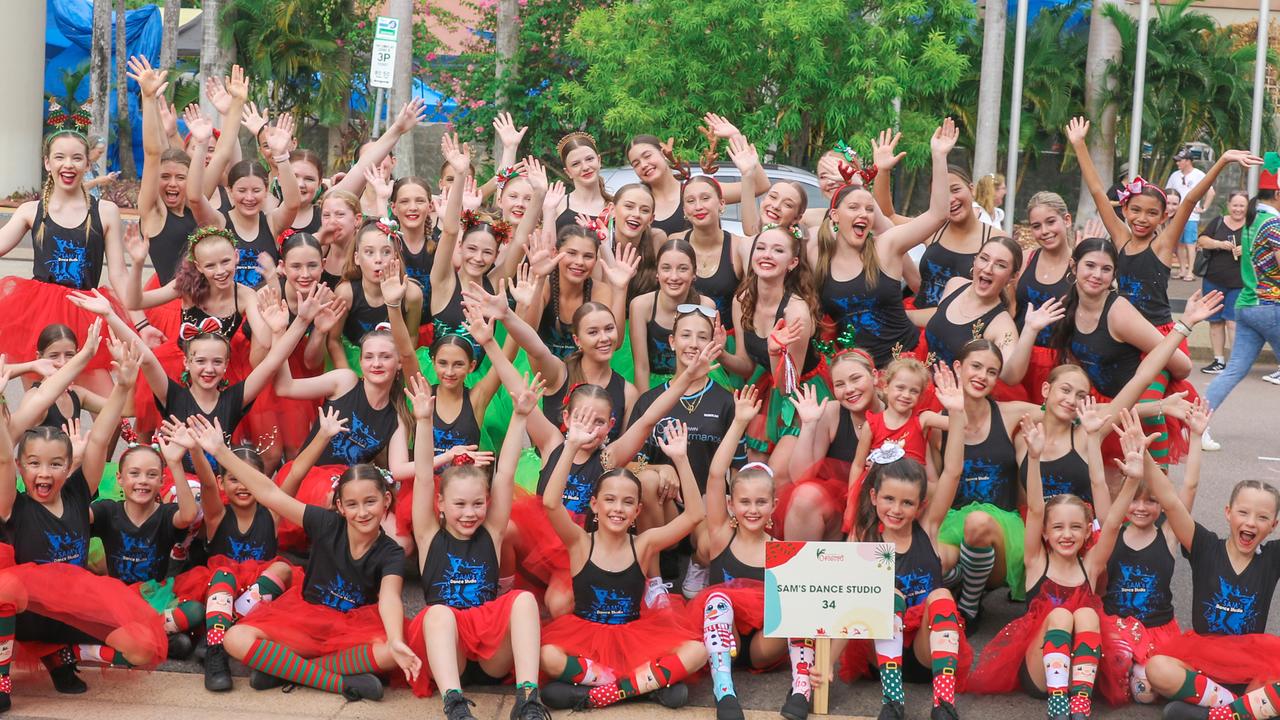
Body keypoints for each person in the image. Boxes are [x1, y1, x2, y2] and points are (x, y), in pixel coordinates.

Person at [191, 416, 419, 700]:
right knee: (236, 638)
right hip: (305, 620)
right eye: (352, 504)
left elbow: (390, 598)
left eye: (370, 502)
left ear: (386, 501)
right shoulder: (325, 523)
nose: (362, 512)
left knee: (392, 652)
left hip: (351, 628)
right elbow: (269, 492)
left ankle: (285, 670)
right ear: (340, 507)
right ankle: (340, 684)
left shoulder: (391, 552)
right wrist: (221, 452)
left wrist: (396, 639)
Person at [0, 338, 167, 712]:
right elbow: (2, 463)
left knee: (141, 647)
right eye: (35, 464)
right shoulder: (15, 505)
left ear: (67, 464)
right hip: (29, 618)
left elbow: (101, 440)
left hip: (74, 615)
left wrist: (123, 384)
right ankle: (2, 681)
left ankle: (68, 653)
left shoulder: (78, 494)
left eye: (55, 463)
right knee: (4, 584)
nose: (45, 472)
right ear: (23, 468)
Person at [968, 408, 1154, 716]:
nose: (1066, 535)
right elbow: (1037, 509)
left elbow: (1110, 525)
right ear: (1044, 533)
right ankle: (1057, 705)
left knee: (1086, 614)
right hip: (1039, 672)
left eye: (1076, 528)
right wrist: (1034, 457)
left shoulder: (1091, 565)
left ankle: (1079, 707)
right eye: (1058, 528)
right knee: (1061, 617)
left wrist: (1132, 481)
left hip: (1081, 673)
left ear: (1085, 533)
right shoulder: (1035, 561)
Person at [536, 411, 707, 710]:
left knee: (697, 651)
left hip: (634, 638)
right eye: (610, 500)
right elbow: (551, 502)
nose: (618, 509)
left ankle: (604, 693)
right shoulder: (579, 543)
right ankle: (640, 686)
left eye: (628, 502)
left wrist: (680, 459)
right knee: (545, 655)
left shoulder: (644, 545)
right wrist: (571, 447)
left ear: (638, 511)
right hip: (586, 638)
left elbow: (695, 515)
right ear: (595, 504)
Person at [404, 375, 551, 719]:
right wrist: (424, 421)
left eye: (477, 504)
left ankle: (528, 700)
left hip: (490, 651)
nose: (470, 513)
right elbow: (424, 476)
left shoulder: (492, 531)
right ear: (440, 504)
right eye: (459, 505)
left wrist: (519, 416)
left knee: (523, 599)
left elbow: (505, 473)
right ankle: (454, 704)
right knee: (438, 613)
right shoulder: (428, 534)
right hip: (448, 651)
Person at [842, 364, 971, 720]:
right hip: (880, 655)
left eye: (907, 503)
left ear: (920, 505)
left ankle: (943, 702)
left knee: (942, 596)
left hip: (925, 652)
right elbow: (842, 607)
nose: (897, 510)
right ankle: (892, 701)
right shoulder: (865, 536)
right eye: (889, 500)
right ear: (874, 496)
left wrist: (957, 412)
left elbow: (953, 471)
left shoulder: (925, 527)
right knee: (891, 596)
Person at [1139, 471, 1280, 719]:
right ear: (1228, 512)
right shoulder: (1204, 546)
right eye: (1243, 512)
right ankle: (1238, 708)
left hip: (1253, 665)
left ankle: (1210, 714)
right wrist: (1144, 461)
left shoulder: (1272, 558)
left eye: (1262, 517)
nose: (1250, 523)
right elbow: (1170, 502)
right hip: (1201, 663)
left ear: (1273, 526)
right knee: (1157, 668)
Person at [1100, 398, 1209, 704]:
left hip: (1156, 630)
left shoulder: (1169, 533)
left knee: (1147, 695)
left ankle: (1137, 671)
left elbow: (1189, 487)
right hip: (1115, 626)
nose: (1142, 507)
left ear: (1162, 503)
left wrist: (1197, 436)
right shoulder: (1112, 530)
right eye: (1134, 500)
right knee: (1112, 670)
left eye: (1151, 501)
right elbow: (1098, 480)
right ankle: (1123, 666)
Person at [1204, 157, 1280, 448]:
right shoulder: (1273, 223)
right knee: (1234, 369)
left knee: (1233, 370)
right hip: (1270, 306)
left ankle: (1197, 427)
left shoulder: (1253, 218)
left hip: (1247, 305)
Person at [1017, 192, 1076, 403]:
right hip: (1021, 355)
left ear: (1066, 220)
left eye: (1051, 222)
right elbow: (1010, 308)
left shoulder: (1080, 266)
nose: (1045, 231)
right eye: (1036, 226)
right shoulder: (1025, 259)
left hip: (1059, 363)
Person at [1196, 191, 1248, 374]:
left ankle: (1235, 363)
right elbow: (1201, 240)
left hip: (1240, 283)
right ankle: (1218, 360)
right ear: (1228, 204)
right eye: (1235, 205)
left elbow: (1263, 247)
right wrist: (1219, 244)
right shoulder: (1218, 221)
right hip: (1213, 279)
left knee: (1233, 322)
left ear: (1247, 207)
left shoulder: (1251, 225)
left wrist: (1247, 249)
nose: (1238, 209)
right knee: (1215, 321)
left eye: (1242, 205)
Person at [1167, 148, 1213, 282]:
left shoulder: (1198, 174)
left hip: (1191, 216)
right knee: (1178, 244)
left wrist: (1204, 208)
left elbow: (1211, 191)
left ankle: (1190, 271)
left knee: (1190, 243)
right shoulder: (1175, 175)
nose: (1178, 163)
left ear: (1188, 161)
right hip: (1175, 216)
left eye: (1180, 161)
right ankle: (1182, 270)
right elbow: (1168, 191)